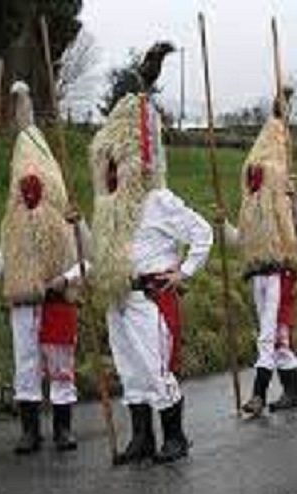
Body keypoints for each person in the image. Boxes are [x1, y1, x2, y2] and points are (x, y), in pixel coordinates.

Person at [89, 43, 213, 465]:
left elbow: (203, 233)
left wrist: (185, 271)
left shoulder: (159, 199)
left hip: (151, 300)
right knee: (131, 374)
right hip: (119, 299)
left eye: (114, 160)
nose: (108, 169)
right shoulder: (108, 208)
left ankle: (175, 438)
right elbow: (99, 254)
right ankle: (141, 439)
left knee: (158, 372)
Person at [0, 81, 85, 455]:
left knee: (60, 364)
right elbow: (3, 263)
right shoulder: (10, 223)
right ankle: (30, 431)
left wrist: (67, 277)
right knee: (25, 365)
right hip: (23, 303)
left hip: (57, 300)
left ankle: (63, 429)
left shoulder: (67, 216)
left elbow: (86, 260)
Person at [223, 94, 297, 418]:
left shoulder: (288, 202)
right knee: (278, 339)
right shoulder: (255, 211)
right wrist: (222, 225)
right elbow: (243, 241)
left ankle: (258, 395)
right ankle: (292, 392)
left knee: (268, 334)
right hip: (259, 276)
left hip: (283, 275)